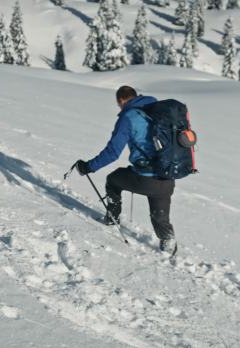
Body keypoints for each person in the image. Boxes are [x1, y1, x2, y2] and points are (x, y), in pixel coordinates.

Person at [74, 85, 177, 254]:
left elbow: (113, 153)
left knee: (113, 179)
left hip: (145, 178)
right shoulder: (159, 110)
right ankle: (168, 240)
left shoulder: (129, 117)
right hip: (168, 176)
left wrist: (88, 167)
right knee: (160, 213)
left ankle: (112, 219)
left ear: (121, 100)